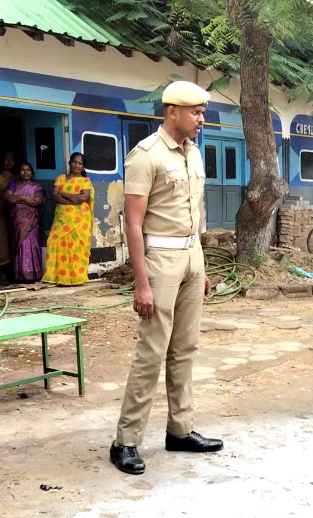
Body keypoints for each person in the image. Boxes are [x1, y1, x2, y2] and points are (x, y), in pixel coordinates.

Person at [110, 81, 223, 475]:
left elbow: (196, 215)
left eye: (202, 112)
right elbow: (134, 225)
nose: (200, 119)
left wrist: (202, 267)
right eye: (195, 112)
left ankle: (180, 430)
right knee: (152, 351)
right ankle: (125, 440)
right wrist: (141, 282)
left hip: (192, 256)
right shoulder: (146, 156)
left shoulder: (194, 154)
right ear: (172, 111)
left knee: (185, 348)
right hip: (159, 259)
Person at [41, 152, 94, 286]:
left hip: (79, 219)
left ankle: (76, 277)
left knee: (76, 246)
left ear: (83, 167)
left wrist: (64, 194)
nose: (77, 165)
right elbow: (54, 196)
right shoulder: (61, 178)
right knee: (53, 241)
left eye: (80, 163)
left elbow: (83, 198)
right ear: (70, 163)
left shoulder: (85, 181)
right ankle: (57, 277)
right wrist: (72, 200)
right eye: (74, 162)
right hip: (62, 217)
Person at [4, 162, 45, 283]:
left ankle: (34, 274)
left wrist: (18, 199)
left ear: (32, 173)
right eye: (22, 170)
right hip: (16, 221)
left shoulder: (37, 186)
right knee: (19, 246)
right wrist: (24, 198)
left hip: (32, 221)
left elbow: (38, 201)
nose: (25, 172)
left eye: (28, 170)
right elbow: (8, 198)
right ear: (19, 172)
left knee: (32, 244)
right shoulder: (13, 184)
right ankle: (19, 275)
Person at [0, 151, 16, 279]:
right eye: (6, 159)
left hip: (15, 212)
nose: (9, 162)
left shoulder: (17, 177)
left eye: (11, 159)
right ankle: (2, 271)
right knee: (2, 240)